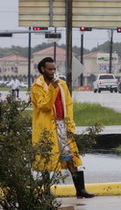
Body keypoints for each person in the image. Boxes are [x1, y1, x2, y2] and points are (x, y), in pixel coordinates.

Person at [30, 57, 96, 198]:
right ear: (43, 69)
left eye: (54, 69)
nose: (53, 71)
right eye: (50, 69)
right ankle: (46, 192)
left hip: (62, 125)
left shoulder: (62, 84)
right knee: (46, 158)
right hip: (47, 127)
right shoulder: (37, 86)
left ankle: (80, 190)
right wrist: (52, 89)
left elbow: (68, 104)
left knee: (71, 157)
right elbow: (44, 106)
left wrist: (70, 124)